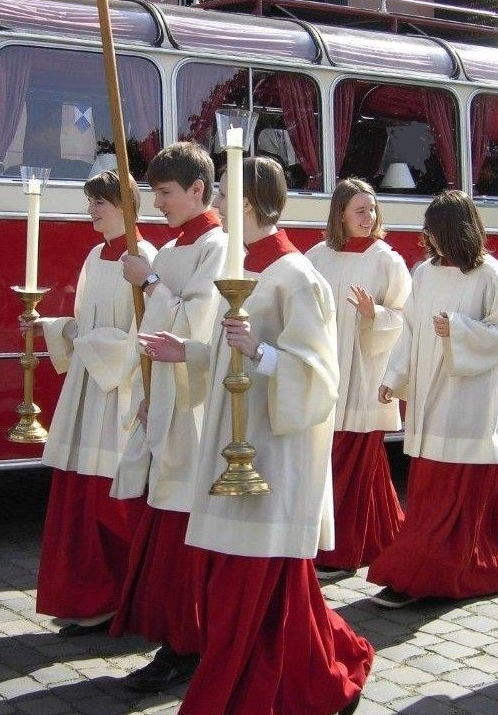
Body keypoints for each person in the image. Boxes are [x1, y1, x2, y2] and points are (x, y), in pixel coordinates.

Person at [140, 156, 373, 715]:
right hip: (233, 450)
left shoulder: (297, 277)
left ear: (247, 205)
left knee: (254, 585)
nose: (215, 207)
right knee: (257, 587)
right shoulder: (246, 273)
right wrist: (189, 352)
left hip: (274, 457)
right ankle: (317, 676)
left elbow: (319, 378)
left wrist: (261, 352)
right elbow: (228, 358)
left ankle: (247, 694)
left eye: (222, 197)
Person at [367, 189, 498, 608]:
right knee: (430, 486)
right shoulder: (424, 273)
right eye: (428, 231)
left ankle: (443, 568)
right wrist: (395, 376)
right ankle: (434, 563)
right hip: (429, 393)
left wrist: (458, 330)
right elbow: (408, 328)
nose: (430, 239)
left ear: (457, 231)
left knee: (459, 487)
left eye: (436, 231)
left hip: (471, 397)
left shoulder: (492, 276)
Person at [108, 142, 227, 691]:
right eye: (154, 193)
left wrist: (150, 282)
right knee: (161, 523)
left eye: (166, 193)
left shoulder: (216, 247)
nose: (156, 204)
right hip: (164, 401)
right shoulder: (178, 245)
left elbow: (198, 327)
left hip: (194, 408)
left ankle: (190, 640)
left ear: (199, 190)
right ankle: (174, 635)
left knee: (184, 530)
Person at [32, 171, 156, 636]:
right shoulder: (93, 256)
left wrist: (83, 340)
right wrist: (51, 327)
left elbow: (142, 337)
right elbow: (84, 323)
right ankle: (85, 593)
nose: (92, 210)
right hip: (89, 390)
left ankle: (118, 595)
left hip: (122, 394)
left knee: (114, 502)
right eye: (90, 202)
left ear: (126, 205)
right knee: (81, 495)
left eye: (100, 202)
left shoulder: (144, 258)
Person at [305, 178, 410, 580]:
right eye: (360, 211)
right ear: (340, 215)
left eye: (372, 210)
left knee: (350, 461)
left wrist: (374, 315)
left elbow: (405, 318)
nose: (369, 218)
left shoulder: (387, 260)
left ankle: (340, 552)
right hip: (328, 370)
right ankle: (381, 538)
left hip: (366, 376)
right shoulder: (318, 255)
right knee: (359, 466)